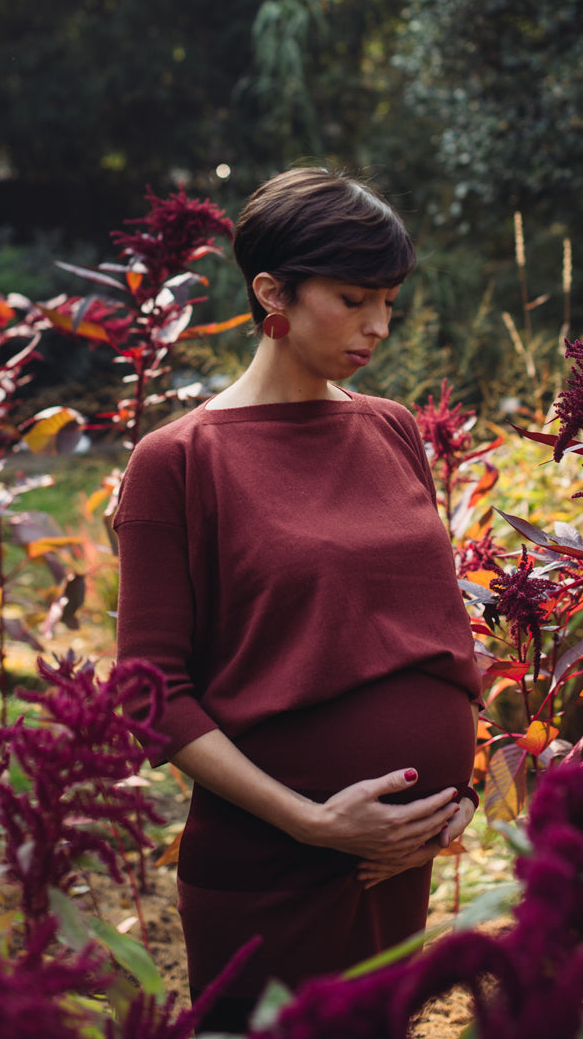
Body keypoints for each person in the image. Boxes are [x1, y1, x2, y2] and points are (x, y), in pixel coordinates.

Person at [113, 169, 481, 1030]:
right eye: (353, 300)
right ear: (272, 292)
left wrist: (453, 798)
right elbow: (149, 692)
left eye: (387, 300)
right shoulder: (179, 460)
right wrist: (314, 822)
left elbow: (436, 635)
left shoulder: (390, 427)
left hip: (394, 866)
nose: (378, 327)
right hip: (269, 866)